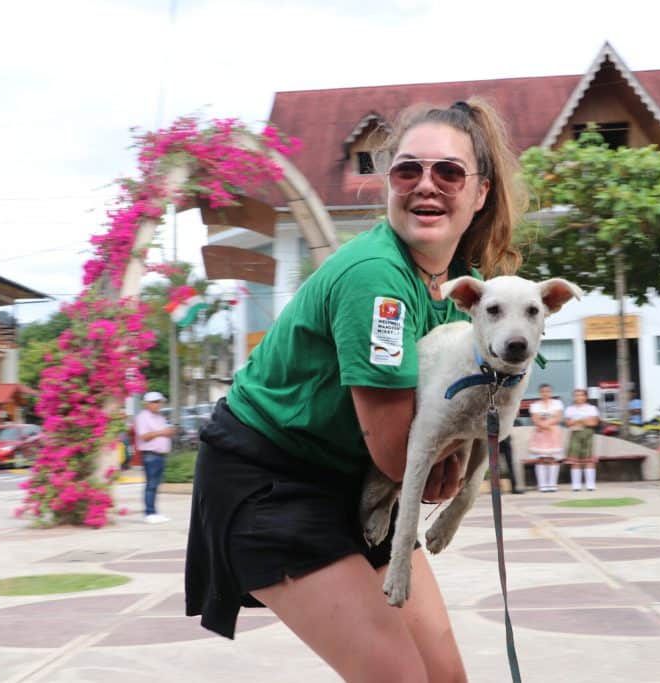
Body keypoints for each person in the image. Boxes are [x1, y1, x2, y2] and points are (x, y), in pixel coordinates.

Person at [185, 98, 522, 680]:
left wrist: (447, 456)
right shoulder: (377, 281)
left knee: (447, 677)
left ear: (480, 193)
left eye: (449, 172)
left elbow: (440, 440)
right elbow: (398, 456)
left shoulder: (464, 287)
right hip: (273, 480)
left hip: (357, 484)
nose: (426, 185)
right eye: (408, 170)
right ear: (389, 182)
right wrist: (446, 457)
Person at [134, 391, 175, 524]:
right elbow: (144, 436)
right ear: (148, 403)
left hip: (161, 455)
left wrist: (169, 432)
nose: (158, 405)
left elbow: (164, 432)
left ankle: (154, 512)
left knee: (156, 485)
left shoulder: (160, 417)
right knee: (151, 485)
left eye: (159, 402)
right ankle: (149, 513)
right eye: (155, 402)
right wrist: (162, 432)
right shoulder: (142, 417)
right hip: (150, 455)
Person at [530, 383, 565, 492]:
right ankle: (542, 485)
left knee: (553, 459)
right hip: (540, 433)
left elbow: (558, 417)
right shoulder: (535, 405)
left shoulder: (557, 403)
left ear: (551, 392)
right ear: (540, 393)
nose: (545, 393)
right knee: (541, 459)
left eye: (547, 391)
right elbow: (535, 419)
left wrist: (547, 424)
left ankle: (552, 484)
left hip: (553, 433)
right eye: (543, 391)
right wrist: (544, 425)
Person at [564, 388, 600, 491]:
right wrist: (584, 420)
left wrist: (577, 420)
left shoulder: (591, 408)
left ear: (585, 397)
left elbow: (594, 423)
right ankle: (576, 485)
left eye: (581, 395)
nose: (579, 397)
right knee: (575, 460)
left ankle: (590, 484)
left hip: (588, 434)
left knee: (589, 459)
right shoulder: (570, 409)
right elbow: (568, 423)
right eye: (576, 395)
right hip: (575, 434)